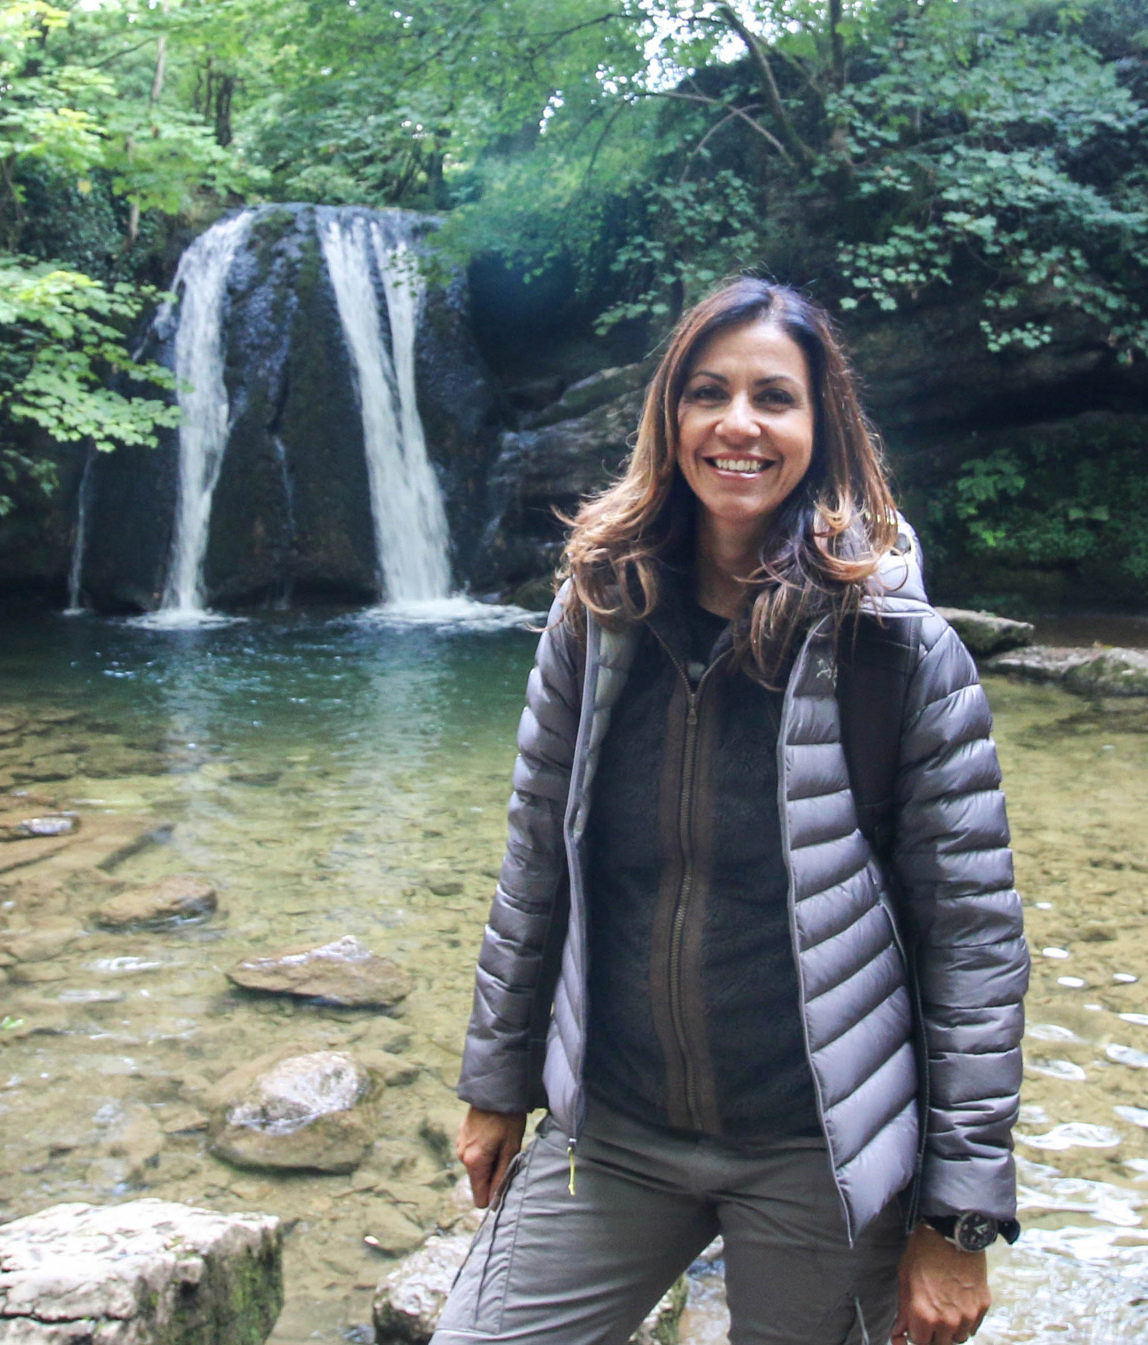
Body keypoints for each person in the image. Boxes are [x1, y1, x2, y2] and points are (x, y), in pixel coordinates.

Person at [433, 278, 1028, 1345]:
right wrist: (497, 1083)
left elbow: (972, 942)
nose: (738, 424)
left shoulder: (896, 647)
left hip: (817, 1154)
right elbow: (535, 864)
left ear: (821, 426)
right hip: (609, 1128)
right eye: (708, 393)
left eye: (774, 397)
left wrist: (958, 1218)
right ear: (670, 417)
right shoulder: (597, 611)